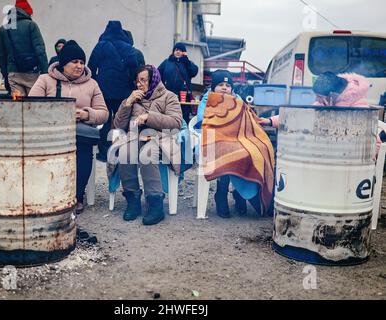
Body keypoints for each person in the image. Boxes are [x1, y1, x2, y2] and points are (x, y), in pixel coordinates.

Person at [29, 40, 109, 214]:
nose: (79, 66)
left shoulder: (91, 84)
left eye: (82, 62)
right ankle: (48, 194)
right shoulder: (45, 80)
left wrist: (87, 115)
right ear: (63, 63)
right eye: (74, 61)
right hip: (50, 132)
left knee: (83, 151)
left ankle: (77, 196)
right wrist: (59, 114)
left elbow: (104, 113)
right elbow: (31, 107)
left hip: (78, 133)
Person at [109, 65, 183, 225]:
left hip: (160, 137)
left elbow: (176, 122)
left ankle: (155, 203)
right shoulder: (133, 99)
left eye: (143, 80)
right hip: (134, 136)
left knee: (147, 155)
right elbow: (119, 125)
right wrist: (127, 103)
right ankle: (133, 200)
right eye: (137, 81)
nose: (139, 84)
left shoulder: (169, 97)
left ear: (154, 80)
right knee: (125, 153)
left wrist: (149, 117)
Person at [195, 70, 271, 217]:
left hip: (238, 138)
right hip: (215, 139)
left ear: (232, 88)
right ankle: (221, 193)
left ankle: (241, 193)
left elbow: (248, 119)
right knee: (227, 152)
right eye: (220, 85)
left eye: (227, 85)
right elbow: (202, 122)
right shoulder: (207, 100)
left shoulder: (238, 101)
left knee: (254, 151)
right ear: (213, 87)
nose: (224, 88)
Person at [259, 72, 385, 154]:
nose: (317, 100)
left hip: (350, 158)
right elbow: (299, 114)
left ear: (331, 95)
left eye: (319, 96)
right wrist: (269, 121)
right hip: (332, 153)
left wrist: (371, 163)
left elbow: (372, 139)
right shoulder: (325, 103)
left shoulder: (358, 105)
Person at [88, 21, 138, 161]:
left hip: (104, 90)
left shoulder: (101, 45)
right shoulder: (127, 47)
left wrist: (97, 82)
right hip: (123, 91)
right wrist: (130, 84)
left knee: (105, 119)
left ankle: (104, 153)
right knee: (121, 120)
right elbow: (134, 67)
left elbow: (91, 66)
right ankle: (120, 151)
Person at [0, 0, 49, 96]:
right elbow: (40, 51)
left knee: (18, 106)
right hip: (31, 73)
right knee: (34, 105)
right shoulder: (31, 25)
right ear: (27, 12)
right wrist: (45, 72)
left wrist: (5, 74)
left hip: (13, 73)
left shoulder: (3, 29)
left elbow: (1, 55)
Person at [158, 42, 198, 124]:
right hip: (168, 96)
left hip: (184, 98)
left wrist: (186, 60)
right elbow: (157, 74)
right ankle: (168, 135)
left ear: (184, 52)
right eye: (176, 50)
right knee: (167, 117)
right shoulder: (167, 62)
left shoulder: (187, 63)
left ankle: (182, 135)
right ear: (173, 51)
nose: (178, 52)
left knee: (183, 118)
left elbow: (194, 72)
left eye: (180, 50)